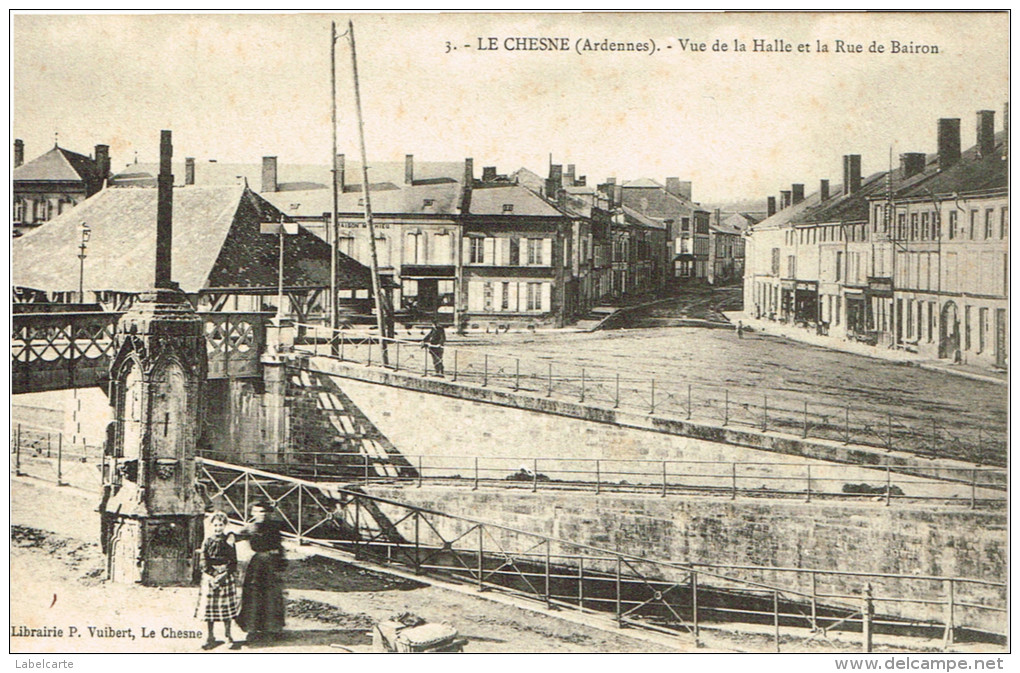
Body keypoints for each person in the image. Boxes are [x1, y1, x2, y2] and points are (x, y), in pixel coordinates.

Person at [235, 501, 285, 642]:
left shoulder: (274, 527)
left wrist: (280, 564)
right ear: (252, 513)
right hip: (256, 565)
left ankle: (273, 629)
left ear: (267, 513)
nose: (260, 515)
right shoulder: (249, 528)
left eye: (263, 511)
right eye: (257, 511)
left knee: (271, 595)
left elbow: (279, 547)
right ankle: (252, 628)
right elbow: (234, 538)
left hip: (270, 563)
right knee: (253, 595)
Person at [195, 511, 240, 650]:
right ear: (211, 526)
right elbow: (203, 561)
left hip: (225, 576)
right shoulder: (207, 541)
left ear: (225, 525)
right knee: (210, 610)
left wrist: (224, 574)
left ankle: (228, 635)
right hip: (210, 577)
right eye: (215, 525)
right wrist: (212, 574)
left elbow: (233, 561)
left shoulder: (229, 541)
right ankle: (210, 637)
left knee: (226, 608)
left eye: (220, 525)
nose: (218, 528)